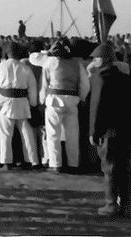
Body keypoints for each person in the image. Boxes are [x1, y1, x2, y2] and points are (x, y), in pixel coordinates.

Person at [89, 42, 131, 218]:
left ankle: (111, 205)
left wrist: (95, 132)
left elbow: (98, 108)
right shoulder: (125, 78)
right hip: (126, 128)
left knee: (109, 168)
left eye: (95, 58)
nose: (93, 61)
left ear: (103, 60)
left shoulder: (99, 78)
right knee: (124, 169)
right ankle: (126, 205)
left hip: (108, 132)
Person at [29, 39, 90, 172]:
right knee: (72, 135)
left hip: (54, 100)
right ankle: (73, 164)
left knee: (53, 135)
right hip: (72, 101)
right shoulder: (77, 64)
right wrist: (81, 97)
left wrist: (42, 99)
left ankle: (56, 164)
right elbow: (85, 85)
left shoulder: (49, 61)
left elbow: (34, 59)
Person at [0, 41, 39, 168]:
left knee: (6, 134)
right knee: (26, 133)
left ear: (7, 53)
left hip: (5, 103)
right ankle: (32, 160)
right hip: (22, 103)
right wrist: (33, 103)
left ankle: (6, 162)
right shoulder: (25, 68)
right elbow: (32, 87)